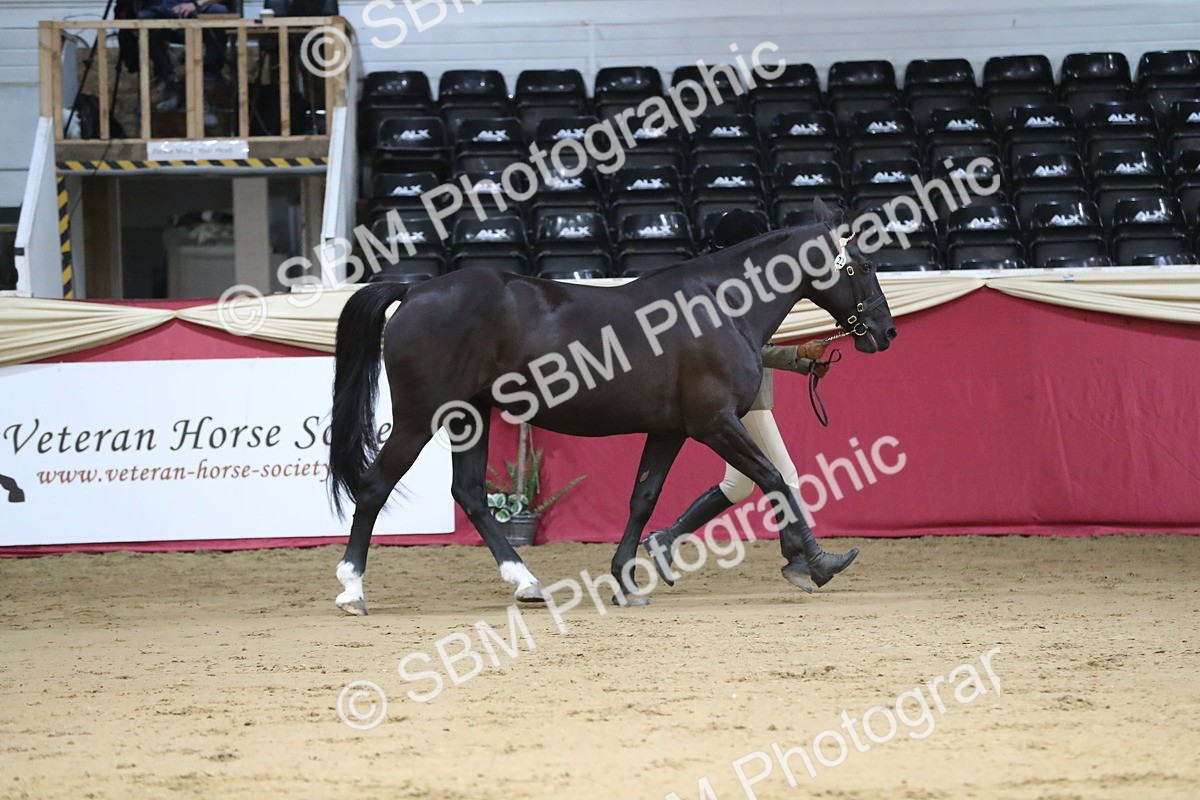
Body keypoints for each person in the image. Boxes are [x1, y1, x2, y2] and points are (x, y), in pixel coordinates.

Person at [641, 209, 859, 590]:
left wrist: (803, 362)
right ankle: (804, 559)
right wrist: (797, 355)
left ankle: (667, 539)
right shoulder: (729, 289)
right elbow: (748, 350)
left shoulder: (733, 283)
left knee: (738, 485)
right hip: (746, 399)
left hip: (747, 395)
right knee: (785, 474)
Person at [137, 0, 231, 126]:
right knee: (144, 17)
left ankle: (206, 88)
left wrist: (197, 4)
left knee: (219, 12)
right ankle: (169, 82)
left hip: (204, 5)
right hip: (168, 5)